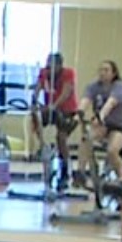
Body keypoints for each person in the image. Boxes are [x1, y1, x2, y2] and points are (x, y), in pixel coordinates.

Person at [84, 59, 122, 178]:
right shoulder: (94, 86)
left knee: (112, 151)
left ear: (114, 73)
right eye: (101, 70)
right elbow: (85, 101)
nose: (102, 73)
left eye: (106, 70)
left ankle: (121, 178)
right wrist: (77, 115)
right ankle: (81, 173)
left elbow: (111, 103)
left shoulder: (119, 86)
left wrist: (100, 117)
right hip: (106, 125)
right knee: (85, 139)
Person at [33, 52, 78, 186]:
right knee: (34, 118)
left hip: (67, 110)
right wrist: (34, 100)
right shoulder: (44, 73)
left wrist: (54, 105)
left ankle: (65, 169)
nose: (50, 68)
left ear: (60, 65)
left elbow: (66, 92)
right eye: (48, 65)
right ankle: (43, 146)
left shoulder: (68, 73)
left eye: (53, 66)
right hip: (50, 109)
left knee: (61, 138)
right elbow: (38, 87)